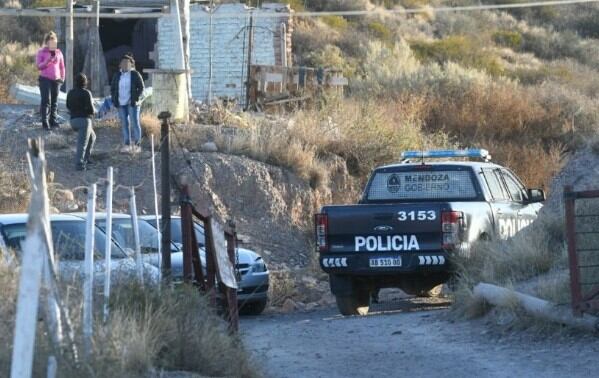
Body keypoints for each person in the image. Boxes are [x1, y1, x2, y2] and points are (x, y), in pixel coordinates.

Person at [110, 54, 144, 153]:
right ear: (120, 65)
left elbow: (141, 88)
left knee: (135, 123)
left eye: (127, 63)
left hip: (132, 103)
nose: (125, 64)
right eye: (123, 62)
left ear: (131, 64)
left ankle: (137, 145)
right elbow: (112, 88)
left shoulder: (135, 74)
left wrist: (135, 97)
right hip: (121, 103)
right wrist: (114, 99)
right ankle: (127, 144)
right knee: (124, 124)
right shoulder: (117, 75)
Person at [66, 73, 96, 171]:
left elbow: (68, 106)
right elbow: (91, 110)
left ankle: (86, 159)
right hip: (84, 121)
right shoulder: (87, 93)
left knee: (92, 137)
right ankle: (80, 165)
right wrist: (92, 112)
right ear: (85, 82)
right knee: (82, 144)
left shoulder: (70, 92)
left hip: (73, 121)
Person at [36, 31, 65, 130]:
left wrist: (62, 77)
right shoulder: (41, 52)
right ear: (47, 42)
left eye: (55, 42)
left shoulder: (59, 52)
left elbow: (62, 67)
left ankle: (53, 120)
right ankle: (45, 121)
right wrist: (48, 60)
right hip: (45, 79)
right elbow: (39, 66)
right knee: (46, 101)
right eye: (51, 42)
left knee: (55, 101)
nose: (53, 44)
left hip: (56, 80)